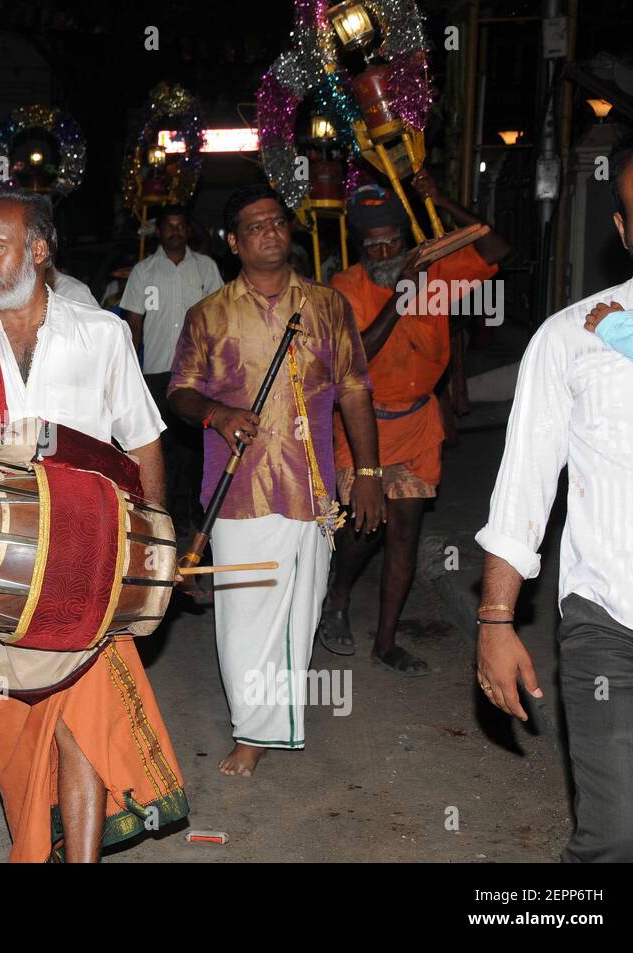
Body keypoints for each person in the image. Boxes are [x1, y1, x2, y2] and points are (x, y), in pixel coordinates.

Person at [0, 191, 187, 862]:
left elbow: (143, 443)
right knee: (16, 736)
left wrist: (154, 549)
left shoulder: (102, 335)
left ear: (39, 249)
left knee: (79, 723)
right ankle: (39, 839)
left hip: (89, 563)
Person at [475, 137, 633, 862]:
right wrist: (494, 617)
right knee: (622, 836)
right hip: (611, 622)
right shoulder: (570, 340)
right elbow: (524, 482)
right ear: (623, 230)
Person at [168, 183, 383, 777]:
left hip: (309, 488)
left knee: (300, 612)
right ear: (234, 242)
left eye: (277, 222)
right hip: (237, 490)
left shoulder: (328, 305)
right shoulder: (207, 314)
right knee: (243, 619)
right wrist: (217, 414)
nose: (270, 231)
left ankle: (269, 723)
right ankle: (254, 729)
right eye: (254, 225)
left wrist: (366, 472)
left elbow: (355, 390)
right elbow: (180, 392)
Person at [317, 175, 509, 675]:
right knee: (366, 524)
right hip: (363, 427)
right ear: (361, 247)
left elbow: (496, 245)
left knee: (404, 532)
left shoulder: (437, 276)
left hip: (419, 423)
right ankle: (337, 596)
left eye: (392, 242)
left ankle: (386, 643)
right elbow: (359, 354)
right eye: (373, 244)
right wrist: (403, 291)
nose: (383, 250)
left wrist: (440, 198)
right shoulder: (345, 287)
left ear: (407, 242)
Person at [120, 204, 224, 538]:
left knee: (194, 451)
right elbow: (133, 324)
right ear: (160, 231)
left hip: (197, 375)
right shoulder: (143, 271)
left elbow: (222, 319)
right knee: (161, 450)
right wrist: (129, 373)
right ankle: (166, 522)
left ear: (188, 231)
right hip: (156, 374)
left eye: (181, 225)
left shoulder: (206, 268)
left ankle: (196, 519)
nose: (176, 231)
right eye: (169, 226)